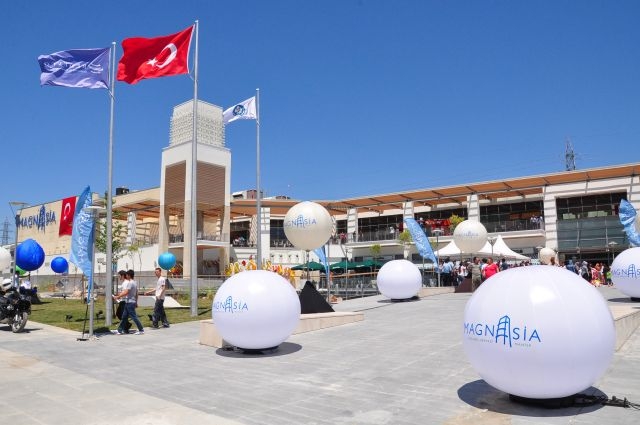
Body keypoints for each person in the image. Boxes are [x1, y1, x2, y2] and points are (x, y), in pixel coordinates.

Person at [112, 269, 144, 335]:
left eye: (126, 275)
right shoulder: (134, 282)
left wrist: (117, 297)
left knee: (134, 317)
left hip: (130, 303)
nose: (126, 276)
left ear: (129, 275)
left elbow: (126, 292)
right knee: (124, 317)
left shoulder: (130, 283)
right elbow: (136, 293)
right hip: (129, 302)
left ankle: (141, 330)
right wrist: (136, 302)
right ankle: (119, 330)